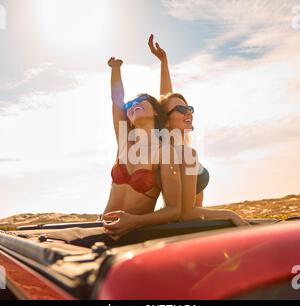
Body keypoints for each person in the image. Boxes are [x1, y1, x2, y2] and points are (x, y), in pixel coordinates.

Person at [148, 35, 248, 226]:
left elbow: (167, 99)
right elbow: (187, 213)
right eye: (181, 110)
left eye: (189, 109)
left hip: (196, 223)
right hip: (186, 226)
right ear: (166, 121)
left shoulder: (181, 144)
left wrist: (164, 62)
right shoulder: (171, 151)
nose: (188, 113)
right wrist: (231, 214)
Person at [102, 57, 182, 239]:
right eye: (130, 105)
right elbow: (117, 100)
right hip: (104, 233)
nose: (133, 105)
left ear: (155, 110)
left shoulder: (165, 152)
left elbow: (174, 210)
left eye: (141, 101)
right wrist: (115, 68)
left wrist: (134, 221)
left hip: (136, 236)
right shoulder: (124, 142)